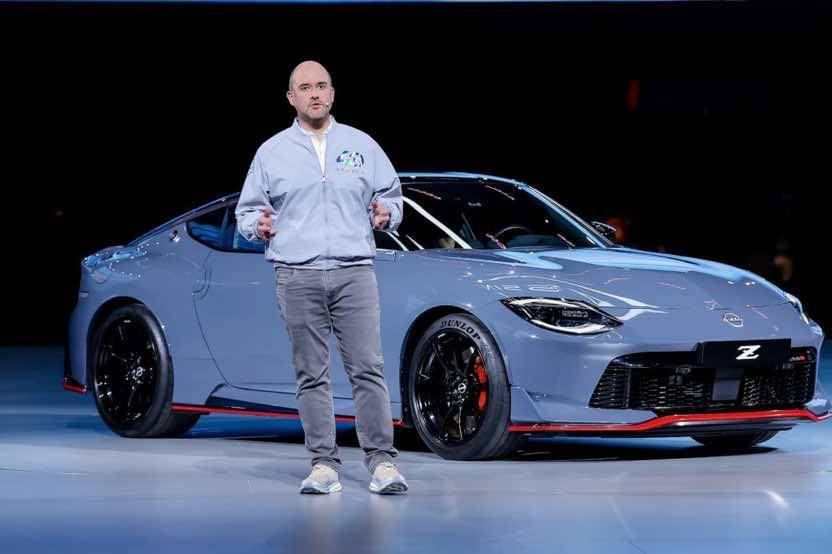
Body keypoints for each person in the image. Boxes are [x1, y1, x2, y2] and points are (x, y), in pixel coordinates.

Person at [235, 60, 407, 495]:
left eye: (321, 86)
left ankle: (382, 462)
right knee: (311, 374)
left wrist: (387, 213)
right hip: (297, 274)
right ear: (291, 98)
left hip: (354, 272)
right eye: (305, 87)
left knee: (368, 368)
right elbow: (246, 212)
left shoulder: (362, 145)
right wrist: (257, 226)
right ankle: (323, 464)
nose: (314, 93)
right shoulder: (271, 152)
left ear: (332, 93)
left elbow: (392, 196)